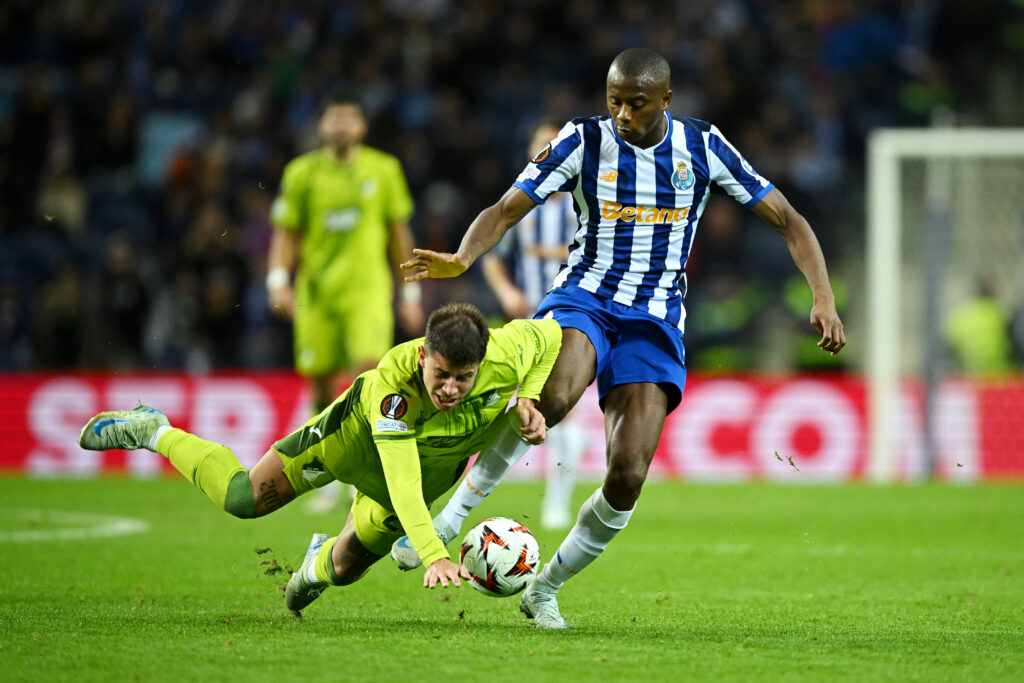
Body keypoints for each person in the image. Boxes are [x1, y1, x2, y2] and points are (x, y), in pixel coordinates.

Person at [399, 48, 846, 629]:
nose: (623, 115)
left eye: (636, 104)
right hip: (584, 295)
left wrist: (824, 297)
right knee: (553, 397)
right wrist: (463, 257)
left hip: (656, 318)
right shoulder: (582, 140)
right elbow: (506, 208)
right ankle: (453, 516)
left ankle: (545, 588)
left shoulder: (703, 146)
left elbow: (789, 219)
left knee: (628, 473)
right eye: (614, 102)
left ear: (666, 100)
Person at [78, 303, 562, 614]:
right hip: (348, 445)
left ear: (482, 362)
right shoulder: (395, 384)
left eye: (464, 377)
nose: (450, 389)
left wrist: (528, 398)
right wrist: (434, 553)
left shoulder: (509, 350)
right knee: (243, 498)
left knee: (347, 568)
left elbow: (552, 335)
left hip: (428, 471)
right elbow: (399, 477)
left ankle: (311, 568)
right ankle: (153, 429)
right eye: (441, 374)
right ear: (423, 357)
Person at [266, 90, 425, 512]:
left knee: (367, 377)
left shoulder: (384, 169)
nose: (341, 124)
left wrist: (409, 290)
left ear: (361, 126)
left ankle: (360, 473)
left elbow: (398, 234)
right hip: (316, 295)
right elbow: (287, 233)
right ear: (322, 126)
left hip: (367, 292)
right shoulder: (301, 173)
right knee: (320, 383)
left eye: (349, 116)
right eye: (334, 116)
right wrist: (278, 279)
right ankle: (327, 472)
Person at [482, 119, 587, 530]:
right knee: (541, 407)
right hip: (528, 320)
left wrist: (548, 251)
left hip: (570, 316)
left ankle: (557, 503)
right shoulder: (522, 205)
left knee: (556, 405)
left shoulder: (583, 200)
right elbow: (491, 256)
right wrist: (507, 291)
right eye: (541, 146)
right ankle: (559, 482)